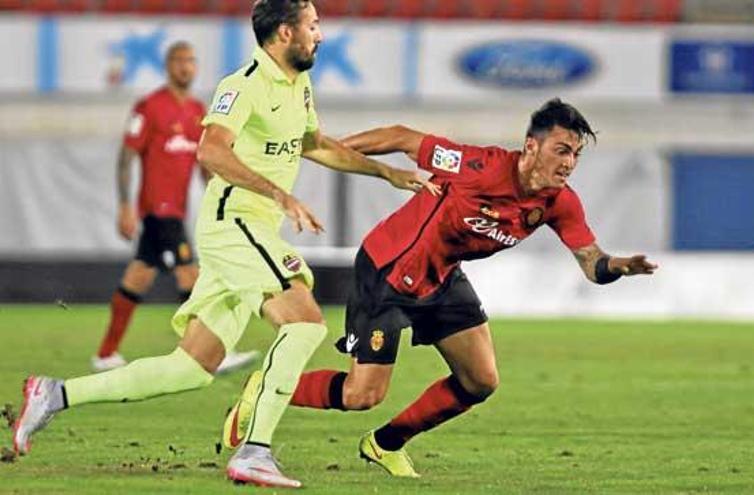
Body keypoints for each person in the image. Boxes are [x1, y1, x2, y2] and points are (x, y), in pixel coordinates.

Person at [12, 0, 435, 489]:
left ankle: (55, 393)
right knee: (303, 323)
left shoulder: (298, 84)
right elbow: (210, 148)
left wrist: (386, 173)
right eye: (312, 26)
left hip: (251, 229)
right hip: (234, 222)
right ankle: (255, 452)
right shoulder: (244, 85)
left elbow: (314, 144)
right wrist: (277, 192)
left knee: (189, 367)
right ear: (283, 33)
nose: (320, 35)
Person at [222, 98, 658, 478]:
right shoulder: (477, 166)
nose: (568, 163)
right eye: (562, 150)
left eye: (576, 155)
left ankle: (386, 444)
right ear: (532, 146)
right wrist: (322, 152)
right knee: (362, 395)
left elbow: (591, 263)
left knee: (481, 380)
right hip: (388, 271)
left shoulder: (559, 203)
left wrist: (618, 266)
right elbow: (401, 137)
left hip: (442, 276)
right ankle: (265, 388)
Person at [94, 40, 258, 374]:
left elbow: (204, 162)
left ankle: (106, 353)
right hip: (158, 210)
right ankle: (213, 353)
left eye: (191, 61)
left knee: (138, 277)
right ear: (168, 66)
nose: (186, 67)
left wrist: (220, 197)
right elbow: (126, 157)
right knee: (192, 277)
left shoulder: (198, 110)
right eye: (179, 60)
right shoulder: (149, 107)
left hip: (176, 210)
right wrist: (125, 205)